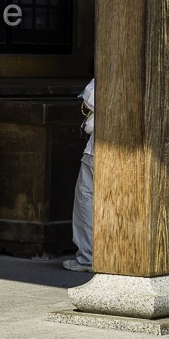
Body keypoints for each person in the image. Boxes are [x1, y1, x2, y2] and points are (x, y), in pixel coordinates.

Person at [63, 79, 95, 273]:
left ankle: (88, 256)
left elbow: (92, 96)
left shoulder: (112, 69)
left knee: (86, 196)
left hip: (101, 147)